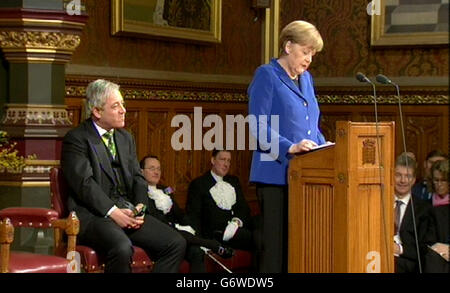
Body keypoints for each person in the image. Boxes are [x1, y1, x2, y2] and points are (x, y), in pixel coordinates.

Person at [61, 79, 186, 273]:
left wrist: (140, 207)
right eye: (115, 106)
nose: (123, 110)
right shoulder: (77, 139)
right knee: (121, 248)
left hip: (127, 211)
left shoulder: (125, 138)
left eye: (123, 104)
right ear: (97, 111)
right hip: (94, 215)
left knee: (175, 243)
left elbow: (138, 178)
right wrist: (113, 212)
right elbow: (84, 184)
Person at [247, 20, 326, 273]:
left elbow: (309, 126)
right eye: (305, 52)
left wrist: (326, 146)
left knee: (298, 249)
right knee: (275, 252)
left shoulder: (307, 79)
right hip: (275, 177)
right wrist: (290, 147)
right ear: (288, 46)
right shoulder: (266, 75)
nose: (309, 60)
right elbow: (256, 127)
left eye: (312, 54)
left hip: (304, 176)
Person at [139, 155, 234, 273]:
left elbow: (180, 215)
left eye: (158, 169)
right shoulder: (139, 192)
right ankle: (212, 245)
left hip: (179, 234)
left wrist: (189, 226)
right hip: (159, 235)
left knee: (196, 251)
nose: (156, 172)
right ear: (141, 171)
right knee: (180, 236)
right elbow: (153, 219)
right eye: (152, 168)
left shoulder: (166, 190)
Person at [186, 150, 256, 253]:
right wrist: (201, 242)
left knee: (260, 231)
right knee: (254, 237)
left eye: (229, 161)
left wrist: (235, 223)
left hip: (235, 228)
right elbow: (194, 215)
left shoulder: (234, 181)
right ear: (213, 160)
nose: (226, 164)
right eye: (223, 159)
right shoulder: (199, 184)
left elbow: (243, 208)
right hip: (214, 234)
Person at [392, 153, 435, 273]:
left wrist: (399, 249)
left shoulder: (424, 209)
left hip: (408, 265)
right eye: (398, 175)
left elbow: (425, 249)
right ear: (391, 176)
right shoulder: (378, 203)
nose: (403, 180)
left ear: (414, 179)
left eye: (408, 176)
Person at [424, 159, 449, 273]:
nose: (439, 184)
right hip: (434, 255)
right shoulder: (426, 205)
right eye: (436, 180)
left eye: (443, 180)